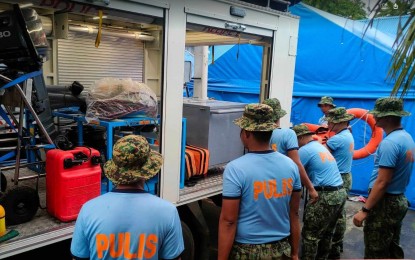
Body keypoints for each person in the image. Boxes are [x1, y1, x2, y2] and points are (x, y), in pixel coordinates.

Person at [70, 135, 184, 260]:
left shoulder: (88, 210)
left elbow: (78, 257)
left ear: (115, 169)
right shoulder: (167, 212)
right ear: (147, 170)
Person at [218, 103, 302, 260]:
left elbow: (229, 221)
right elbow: (294, 213)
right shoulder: (291, 165)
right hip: (282, 249)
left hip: (248, 252)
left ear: (247, 133)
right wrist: (295, 253)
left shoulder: (235, 169)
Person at [353, 97, 414, 259]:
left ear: (387, 117)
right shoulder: (406, 138)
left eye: (378, 115)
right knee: (391, 248)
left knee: (376, 251)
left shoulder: (390, 143)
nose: (375, 118)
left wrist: (365, 210)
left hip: (385, 204)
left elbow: (383, 181)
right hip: (398, 199)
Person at [292, 124, 347, 260]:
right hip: (339, 193)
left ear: (301, 137)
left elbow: (292, 171)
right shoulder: (320, 147)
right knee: (327, 233)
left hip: (325, 195)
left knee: (310, 235)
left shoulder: (304, 150)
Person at [263, 98, 319, 203]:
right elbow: (296, 163)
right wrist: (310, 188)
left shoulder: (257, 135)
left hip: (260, 182)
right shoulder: (288, 134)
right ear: (279, 115)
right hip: (280, 184)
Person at [322, 107, 355, 259]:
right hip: (346, 175)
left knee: (333, 215)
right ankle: (337, 245)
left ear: (340, 122)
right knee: (340, 213)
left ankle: (329, 248)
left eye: (331, 121)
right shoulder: (348, 134)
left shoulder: (337, 139)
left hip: (337, 179)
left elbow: (320, 155)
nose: (328, 124)